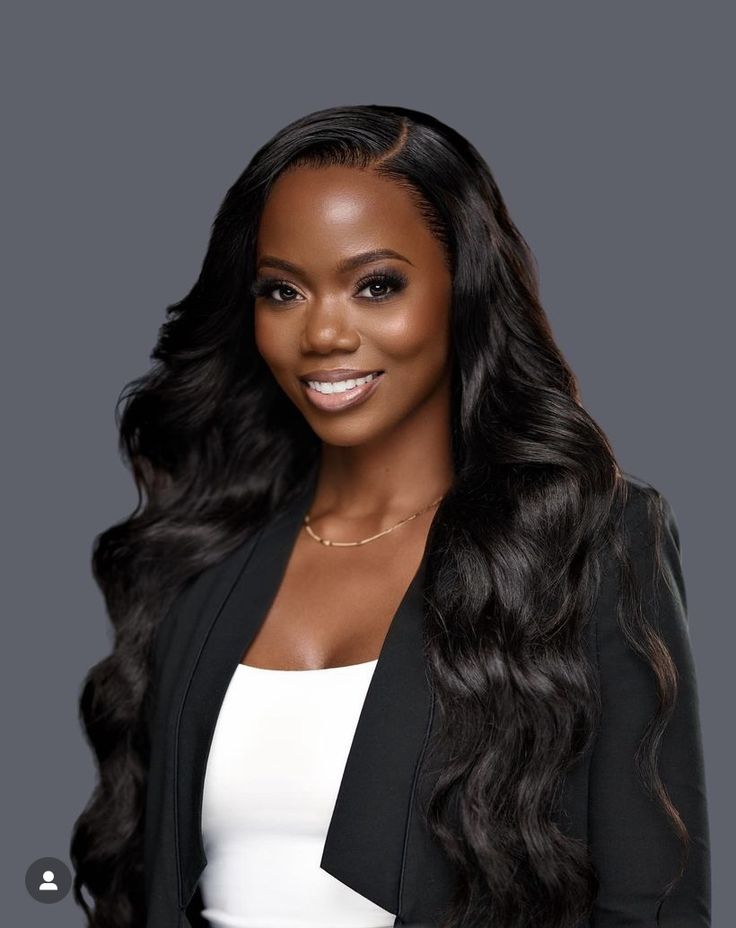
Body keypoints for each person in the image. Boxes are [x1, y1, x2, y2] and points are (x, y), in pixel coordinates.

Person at [70, 104, 711, 928]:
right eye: (282, 290)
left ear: (464, 289)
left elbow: (654, 902)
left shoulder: (589, 541)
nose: (325, 332)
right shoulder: (209, 555)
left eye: (376, 286)